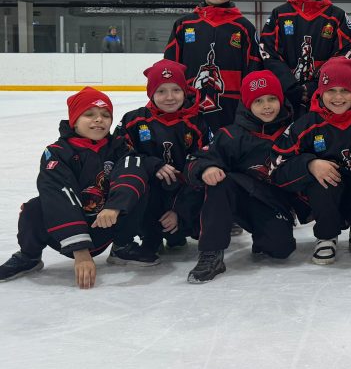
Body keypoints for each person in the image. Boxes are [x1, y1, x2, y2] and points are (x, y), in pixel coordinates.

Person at [0, 88, 155, 287]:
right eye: (89, 114)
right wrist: (80, 251)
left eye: (105, 115)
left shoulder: (120, 147)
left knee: (138, 186)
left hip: (106, 223)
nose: (99, 119)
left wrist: (115, 206)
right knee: (34, 207)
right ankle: (29, 256)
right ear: (74, 120)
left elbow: (130, 174)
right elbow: (59, 197)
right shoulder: (57, 152)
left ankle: (122, 246)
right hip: (66, 233)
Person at [272, 56, 351, 265]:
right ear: (320, 92)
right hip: (325, 193)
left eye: (344, 90)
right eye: (331, 90)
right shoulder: (305, 125)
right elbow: (278, 168)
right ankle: (326, 235)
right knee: (324, 186)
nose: (338, 97)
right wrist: (309, 164)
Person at [185, 71, 299, 283]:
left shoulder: (294, 131)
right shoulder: (231, 135)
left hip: (273, 204)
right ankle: (211, 253)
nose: (267, 106)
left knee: (280, 249)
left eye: (272, 99)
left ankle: (263, 235)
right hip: (242, 197)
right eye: (258, 101)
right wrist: (207, 168)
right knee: (220, 181)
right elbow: (196, 160)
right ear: (247, 104)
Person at [116, 59, 206, 256]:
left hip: (183, 195)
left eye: (176, 90)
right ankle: (149, 235)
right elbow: (120, 157)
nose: (170, 97)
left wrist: (179, 211)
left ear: (185, 91)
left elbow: (204, 164)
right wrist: (152, 165)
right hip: (150, 195)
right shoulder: (134, 121)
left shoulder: (197, 123)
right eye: (161, 91)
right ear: (151, 93)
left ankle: (179, 230)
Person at [165, 0, 263, 136]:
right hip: (190, 105)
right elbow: (170, 66)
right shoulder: (184, 25)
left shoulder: (244, 27)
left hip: (232, 107)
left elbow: (254, 68)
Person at [261, 0, 351, 119]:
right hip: (286, 95)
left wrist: (316, 85)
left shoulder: (336, 16)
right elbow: (268, 52)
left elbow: (345, 51)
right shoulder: (280, 14)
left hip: (325, 95)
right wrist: (289, 85)